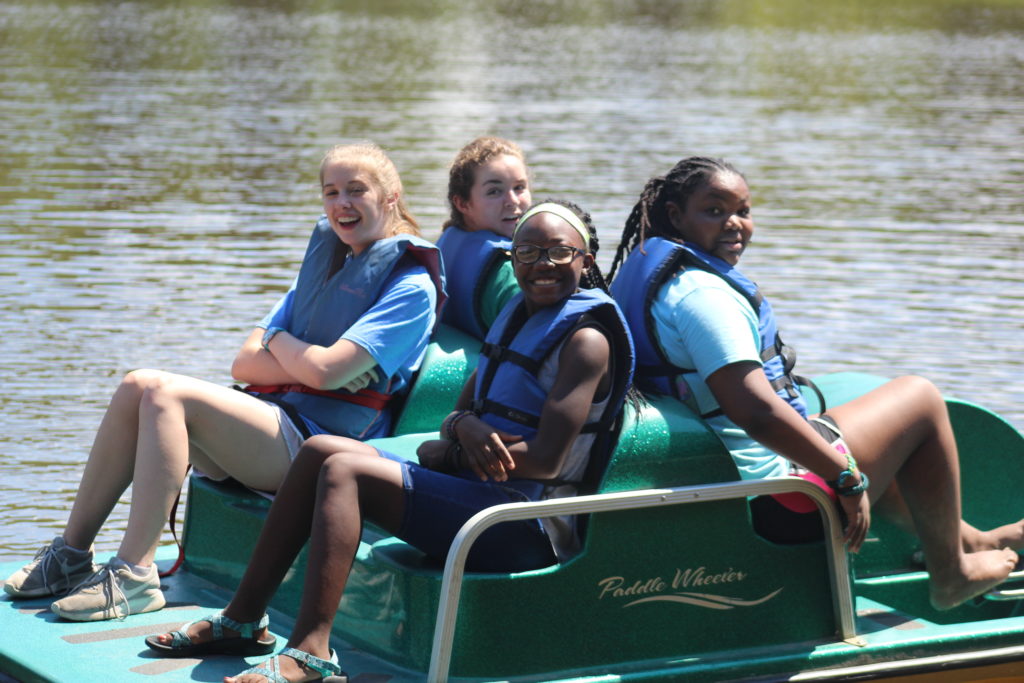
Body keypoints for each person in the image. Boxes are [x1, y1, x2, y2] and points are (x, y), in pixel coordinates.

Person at [144, 200, 635, 683]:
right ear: (512, 259)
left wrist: (453, 450)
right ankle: (243, 620)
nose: (541, 266)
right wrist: (463, 429)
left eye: (558, 253)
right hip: (480, 491)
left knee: (345, 471)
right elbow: (458, 413)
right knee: (318, 452)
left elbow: (547, 461)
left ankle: (311, 651)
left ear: (585, 261)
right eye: (527, 253)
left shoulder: (585, 341)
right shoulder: (517, 315)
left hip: (522, 526)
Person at [3, 142, 445, 622]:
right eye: (331, 192)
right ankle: (71, 554)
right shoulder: (327, 267)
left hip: (322, 446)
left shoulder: (410, 287)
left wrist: (283, 345)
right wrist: (302, 353)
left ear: (391, 196)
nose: (342, 204)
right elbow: (245, 365)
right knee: (138, 385)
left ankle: (134, 575)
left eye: (356, 190)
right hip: (277, 423)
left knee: (164, 392)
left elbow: (325, 372)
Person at [608, 156, 1023, 611]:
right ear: (675, 216)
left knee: (881, 439)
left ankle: (972, 541)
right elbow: (756, 413)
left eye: (743, 211)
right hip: (777, 504)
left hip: (725, 472)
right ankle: (952, 573)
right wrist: (844, 478)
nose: (735, 225)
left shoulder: (650, 268)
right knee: (919, 399)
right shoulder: (703, 297)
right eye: (714, 210)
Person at [435, 136, 531, 339]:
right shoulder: (510, 275)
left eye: (519, 187)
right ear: (462, 203)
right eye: (494, 191)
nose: (512, 201)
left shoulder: (445, 242)